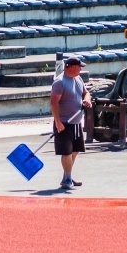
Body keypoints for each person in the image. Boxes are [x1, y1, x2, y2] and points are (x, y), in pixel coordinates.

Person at [50, 56, 92, 189]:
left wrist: (87, 99)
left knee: (75, 150)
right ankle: (67, 178)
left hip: (76, 121)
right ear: (72, 67)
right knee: (66, 152)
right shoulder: (59, 82)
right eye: (79, 66)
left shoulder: (78, 79)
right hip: (63, 122)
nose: (81, 69)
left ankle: (67, 175)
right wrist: (57, 122)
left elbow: (86, 93)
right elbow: (54, 103)